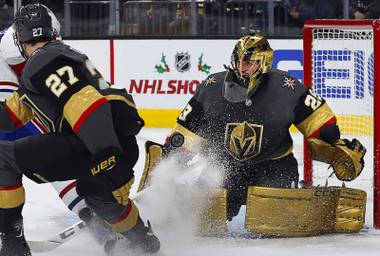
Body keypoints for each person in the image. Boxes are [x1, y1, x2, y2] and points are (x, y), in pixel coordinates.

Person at [139, 34, 366, 225]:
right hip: (226, 166)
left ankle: (292, 188)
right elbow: (187, 129)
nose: (241, 67)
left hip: (274, 164)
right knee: (204, 218)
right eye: (238, 61)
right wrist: (173, 158)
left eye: (248, 62)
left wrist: (333, 144)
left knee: (274, 219)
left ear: (263, 62)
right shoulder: (212, 87)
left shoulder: (286, 87)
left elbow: (318, 119)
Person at [0, 3, 160, 256]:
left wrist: (107, 155)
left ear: (20, 38)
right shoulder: (65, 56)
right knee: (98, 197)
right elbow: (8, 117)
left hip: (101, 147)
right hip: (108, 146)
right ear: (52, 30)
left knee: (2, 158)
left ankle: (11, 243)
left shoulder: (42, 61)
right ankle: (144, 242)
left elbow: (86, 103)